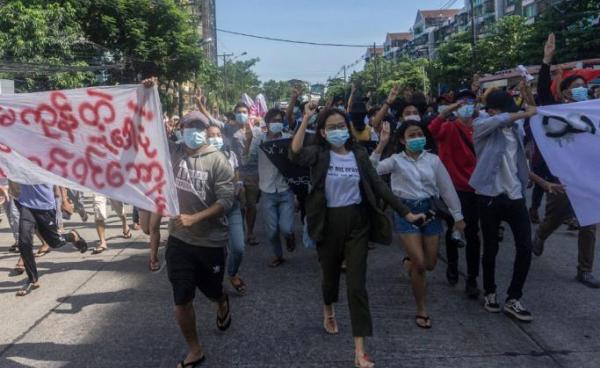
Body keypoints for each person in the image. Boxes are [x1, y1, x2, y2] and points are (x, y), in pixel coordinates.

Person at [290, 104, 424, 368]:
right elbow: (294, 153)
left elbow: (377, 186)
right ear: (323, 132)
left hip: (357, 224)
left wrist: (406, 213)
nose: (338, 131)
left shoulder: (359, 154)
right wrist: (305, 118)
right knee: (329, 279)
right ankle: (328, 308)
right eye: (332, 127)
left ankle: (360, 350)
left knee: (357, 286)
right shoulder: (317, 153)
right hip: (327, 224)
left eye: (342, 125)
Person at [143, 75, 234, 368]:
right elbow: (148, 132)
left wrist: (196, 216)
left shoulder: (217, 160)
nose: (193, 131)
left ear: (205, 131)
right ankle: (195, 349)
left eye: (198, 126)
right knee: (181, 298)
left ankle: (221, 301)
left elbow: (227, 201)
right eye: (187, 127)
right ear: (180, 130)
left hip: (210, 241)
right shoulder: (173, 155)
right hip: (180, 241)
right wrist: (149, 95)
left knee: (212, 290)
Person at [371, 120, 465, 328]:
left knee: (430, 263)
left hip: (431, 211)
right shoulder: (395, 160)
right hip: (405, 211)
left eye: (419, 134)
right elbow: (371, 169)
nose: (417, 139)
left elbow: (446, 188)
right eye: (412, 136)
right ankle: (421, 308)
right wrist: (381, 144)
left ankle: (410, 263)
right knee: (421, 264)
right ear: (403, 140)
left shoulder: (433, 160)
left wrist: (458, 217)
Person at [531, 33, 600, 288]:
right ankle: (540, 235)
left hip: (590, 178)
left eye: (585, 86)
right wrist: (546, 60)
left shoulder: (594, 110)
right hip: (562, 177)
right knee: (555, 216)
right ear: (566, 93)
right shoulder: (555, 111)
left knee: (589, 224)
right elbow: (541, 93)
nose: (582, 90)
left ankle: (585, 269)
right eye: (576, 87)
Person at [469, 87, 538, 322]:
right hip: (489, 194)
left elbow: (518, 159)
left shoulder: (516, 128)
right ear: (492, 110)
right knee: (490, 248)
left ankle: (513, 297)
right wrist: (522, 113)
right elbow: (500, 119)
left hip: (515, 195)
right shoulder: (482, 125)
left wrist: (537, 180)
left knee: (525, 247)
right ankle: (490, 292)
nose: (509, 114)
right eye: (504, 110)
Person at [428, 88, 482, 298]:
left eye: (470, 102)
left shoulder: (481, 127)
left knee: (473, 235)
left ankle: (472, 279)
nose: (467, 106)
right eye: (462, 102)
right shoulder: (448, 128)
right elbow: (432, 129)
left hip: (477, 189)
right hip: (452, 189)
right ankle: (452, 265)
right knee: (453, 230)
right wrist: (447, 110)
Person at [4, 183, 87, 296]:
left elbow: (57, 177)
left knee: (56, 242)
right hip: (26, 205)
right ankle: (32, 279)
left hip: (45, 206)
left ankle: (73, 236)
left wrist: (64, 200)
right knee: (24, 242)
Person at [245, 108, 296, 267]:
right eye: (274, 120)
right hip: (267, 191)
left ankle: (289, 236)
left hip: (285, 190)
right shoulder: (259, 140)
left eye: (280, 120)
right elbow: (249, 161)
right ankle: (278, 255)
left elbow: (298, 159)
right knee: (272, 231)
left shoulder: (289, 139)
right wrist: (247, 143)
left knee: (286, 228)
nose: (277, 123)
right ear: (267, 123)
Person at [207, 124, 247, 294]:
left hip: (232, 207)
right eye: (211, 135)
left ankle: (232, 273)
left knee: (238, 247)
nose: (215, 138)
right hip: (209, 212)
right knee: (214, 254)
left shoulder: (231, 155)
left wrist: (239, 186)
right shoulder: (198, 159)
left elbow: (236, 178)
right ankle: (214, 283)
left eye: (218, 135)